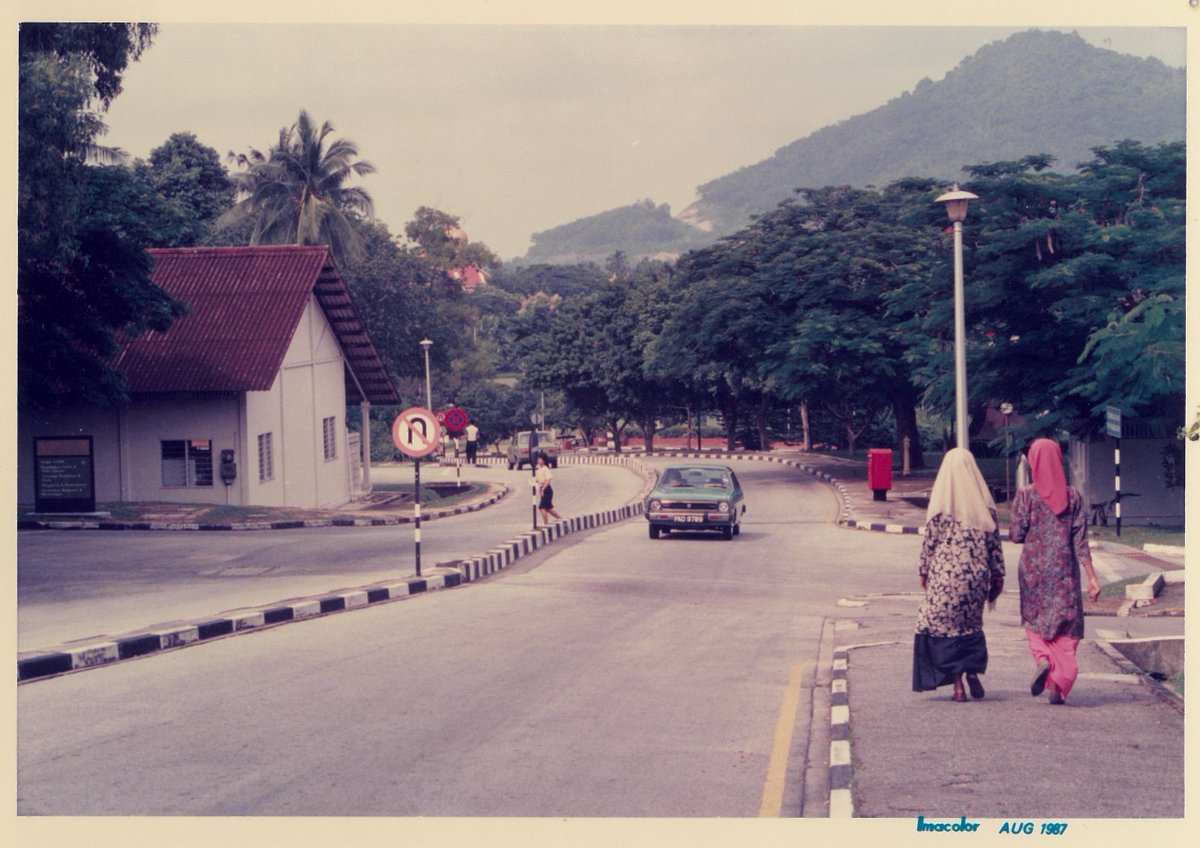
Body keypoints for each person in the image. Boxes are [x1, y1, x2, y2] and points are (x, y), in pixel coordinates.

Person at [1009, 438, 1102, 705]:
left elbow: (1016, 535)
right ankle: (1058, 686)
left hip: (1033, 573)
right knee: (1067, 625)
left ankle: (1042, 660)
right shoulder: (1073, 496)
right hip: (1065, 574)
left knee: (1035, 621)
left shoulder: (1026, 495)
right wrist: (1093, 578)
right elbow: (1080, 542)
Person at [912, 448, 1006, 702]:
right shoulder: (987, 510)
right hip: (976, 579)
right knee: (970, 625)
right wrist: (997, 578)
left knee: (937, 626)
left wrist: (924, 572)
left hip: (946, 580)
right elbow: (995, 549)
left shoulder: (941, 510)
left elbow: (929, 546)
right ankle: (972, 669)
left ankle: (958, 686)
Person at [535, 452, 562, 523]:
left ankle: (545, 524)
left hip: (546, 490)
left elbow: (548, 479)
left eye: (540, 459)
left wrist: (543, 489)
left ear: (543, 460)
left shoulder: (545, 468)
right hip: (542, 489)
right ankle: (561, 519)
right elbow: (538, 479)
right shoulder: (539, 468)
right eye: (538, 459)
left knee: (542, 508)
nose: (538, 460)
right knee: (548, 508)